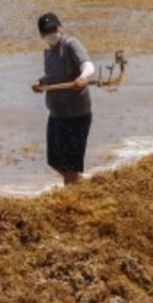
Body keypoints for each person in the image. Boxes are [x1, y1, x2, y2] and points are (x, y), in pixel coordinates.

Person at [31, 12, 95, 186]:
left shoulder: (70, 44)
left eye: (54, 28)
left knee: (70, 166)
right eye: (47, 31)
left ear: (60, 27)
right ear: (42, 35)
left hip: (76, 115)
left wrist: (82, 78)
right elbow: (53, 76)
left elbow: (88, 65)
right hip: (56, 114)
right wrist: (40, 82)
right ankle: (79, 184)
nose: (51, 33)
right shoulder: (49, 53)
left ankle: (73, 198)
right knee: (55, 162)